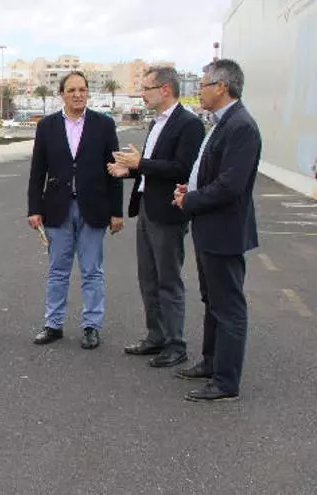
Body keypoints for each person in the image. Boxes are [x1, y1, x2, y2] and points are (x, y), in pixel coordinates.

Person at [172, 59, 261, 402]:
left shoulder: (241, 126)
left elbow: (229, 186)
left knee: (228, 307)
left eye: (203, 85)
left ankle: (226, 381)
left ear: (221, 87)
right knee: (212, 301)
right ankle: (211, 363)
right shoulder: (222, 123)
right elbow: (213, 173)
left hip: (224, 232)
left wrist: (190, 200)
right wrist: (191, 190)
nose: (199, 91)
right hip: (210, 228)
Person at [109, 67, 206, 367]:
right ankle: (156, 336)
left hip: (168, 213)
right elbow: (152, 167)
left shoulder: (189, 124)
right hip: (147, 209)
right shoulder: (155, 123)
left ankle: (176, 345)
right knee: (148, 279)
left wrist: (141, 163)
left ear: (165, 89)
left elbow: (183, 169)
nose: (142, 93)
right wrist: (130, 170)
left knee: (168, 280)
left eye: (147, 88)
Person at [27, 71, 124, 350]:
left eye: (82, 89)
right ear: (62, 94)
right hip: (57, 209)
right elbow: (37, 171)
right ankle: (53, 324)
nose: (78, 94)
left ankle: (91, 326)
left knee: (92, 271)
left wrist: (116, 212)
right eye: (71, 90)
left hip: (94, 208)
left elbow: (114, 170)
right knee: (58, 270)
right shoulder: (46, 126)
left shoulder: (103, 124)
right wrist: (34, 208)